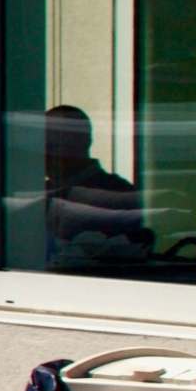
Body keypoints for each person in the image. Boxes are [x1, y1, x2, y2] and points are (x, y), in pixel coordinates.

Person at [40, 104, 151, 268]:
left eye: (53, 145)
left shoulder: (117, 193)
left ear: (84, 142)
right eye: (43, 146)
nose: (45, 155)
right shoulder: (42, 192)